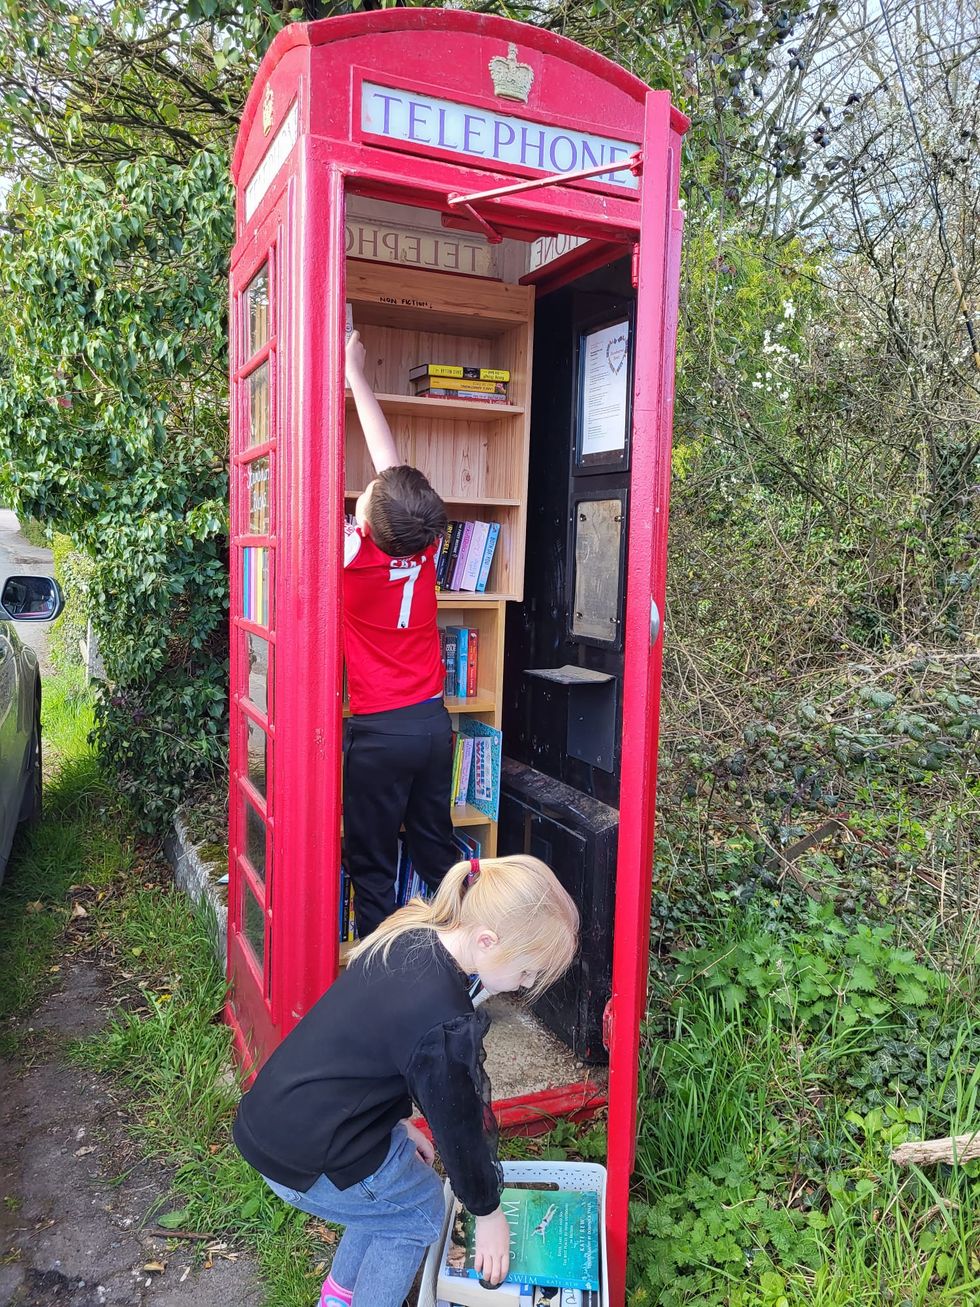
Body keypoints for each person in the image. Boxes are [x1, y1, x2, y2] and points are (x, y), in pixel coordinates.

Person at [232, 854, 579, 1307]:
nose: (524, 983)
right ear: (487, 941)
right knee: (418, 1212)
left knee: (392, 1199)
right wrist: (489, 1213)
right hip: (312, 1155)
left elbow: (370, 1052)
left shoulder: (414, 934)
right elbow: (459, 1127)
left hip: (284, 1118)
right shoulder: (443, 1022)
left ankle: (339, 1297)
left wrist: (398, 1124)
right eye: (526, 970)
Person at [342, 329, 457, 938]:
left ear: (368, 519)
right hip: (433, 726)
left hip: (380, 733)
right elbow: (390, 471)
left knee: (373, 864)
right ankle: (468, 951)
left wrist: (348, 375)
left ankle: (378, 971)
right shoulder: (424, 538)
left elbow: (381, 476)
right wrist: (356, 375)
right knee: (437, 850)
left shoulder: (350, 556)